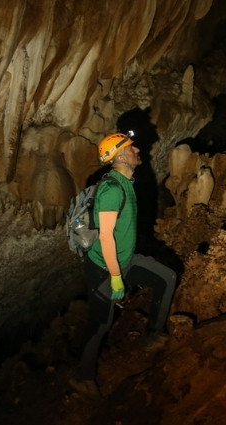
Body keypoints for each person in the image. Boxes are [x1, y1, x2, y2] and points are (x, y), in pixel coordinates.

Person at [71, 131, 177, 396]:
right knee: (101, 324)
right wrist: (117, 278)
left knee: (166, 277)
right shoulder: (111, 189)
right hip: (104, 269)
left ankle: (153, 334)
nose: (137, 149)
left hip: (124, 261)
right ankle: (82, 377)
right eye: (131, 148)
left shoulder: (125, 182)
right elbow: (106, 236)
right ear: (120, 156)